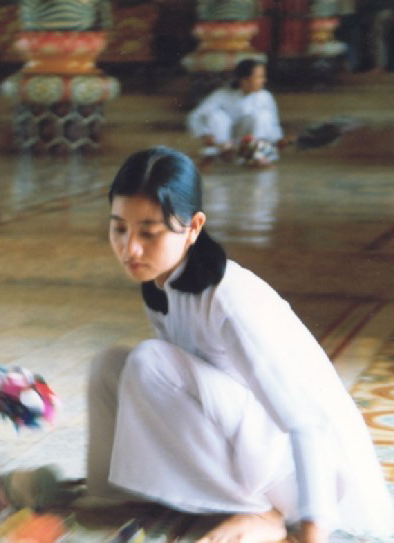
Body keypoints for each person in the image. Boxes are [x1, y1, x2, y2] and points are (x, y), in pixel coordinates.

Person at [85, 147, 394, 541]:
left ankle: (266, 514)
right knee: (110, 365)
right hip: (247, 445)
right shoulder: (161, 283)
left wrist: (311, 529)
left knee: (150, 362)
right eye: (119, 228)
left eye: (149, 232)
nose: (130, 249)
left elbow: (305, 421)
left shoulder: (228, 301)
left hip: (303, 476)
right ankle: (111, 496)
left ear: (194, 227)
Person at [187, 59, 284, 167]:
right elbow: (195, 116)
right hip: (223, 144)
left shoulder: (265, 97)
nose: (264, 80)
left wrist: (278, 140)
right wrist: (204, 134)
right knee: (216, 115)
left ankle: (257, 155)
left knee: (262, 116)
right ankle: (218, 155)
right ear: (245, 80)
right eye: (259, 77)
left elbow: (274, 124)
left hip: (248, 145)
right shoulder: (222, 95)